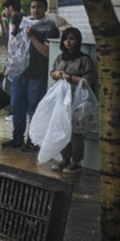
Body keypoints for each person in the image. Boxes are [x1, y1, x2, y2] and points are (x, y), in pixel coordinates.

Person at [3, 0, 59, 152]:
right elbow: (15, 45)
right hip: (20, 72)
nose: (36, 10)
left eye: (39, 7)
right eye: (33, 7)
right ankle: (17, 138)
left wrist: (32, 36)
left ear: (45, 8)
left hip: (37, 74)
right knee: (17, 106)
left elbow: (47, 52)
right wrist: (10, 65)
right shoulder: (25, 23)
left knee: (35, 108)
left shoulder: (50, 28)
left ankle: (33, 140)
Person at [50, 27, 97, 173]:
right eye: (65, 39)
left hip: (77, 99)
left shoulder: (84, 60)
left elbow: (88, 81)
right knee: (63, 128)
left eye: (71, 39)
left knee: (76, 131)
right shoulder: (60, 58)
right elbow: (53, 72)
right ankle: (65, 158)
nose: (68, 42)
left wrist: (69, 77)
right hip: (62, 99)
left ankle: (76, 161)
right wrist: (56, 74)